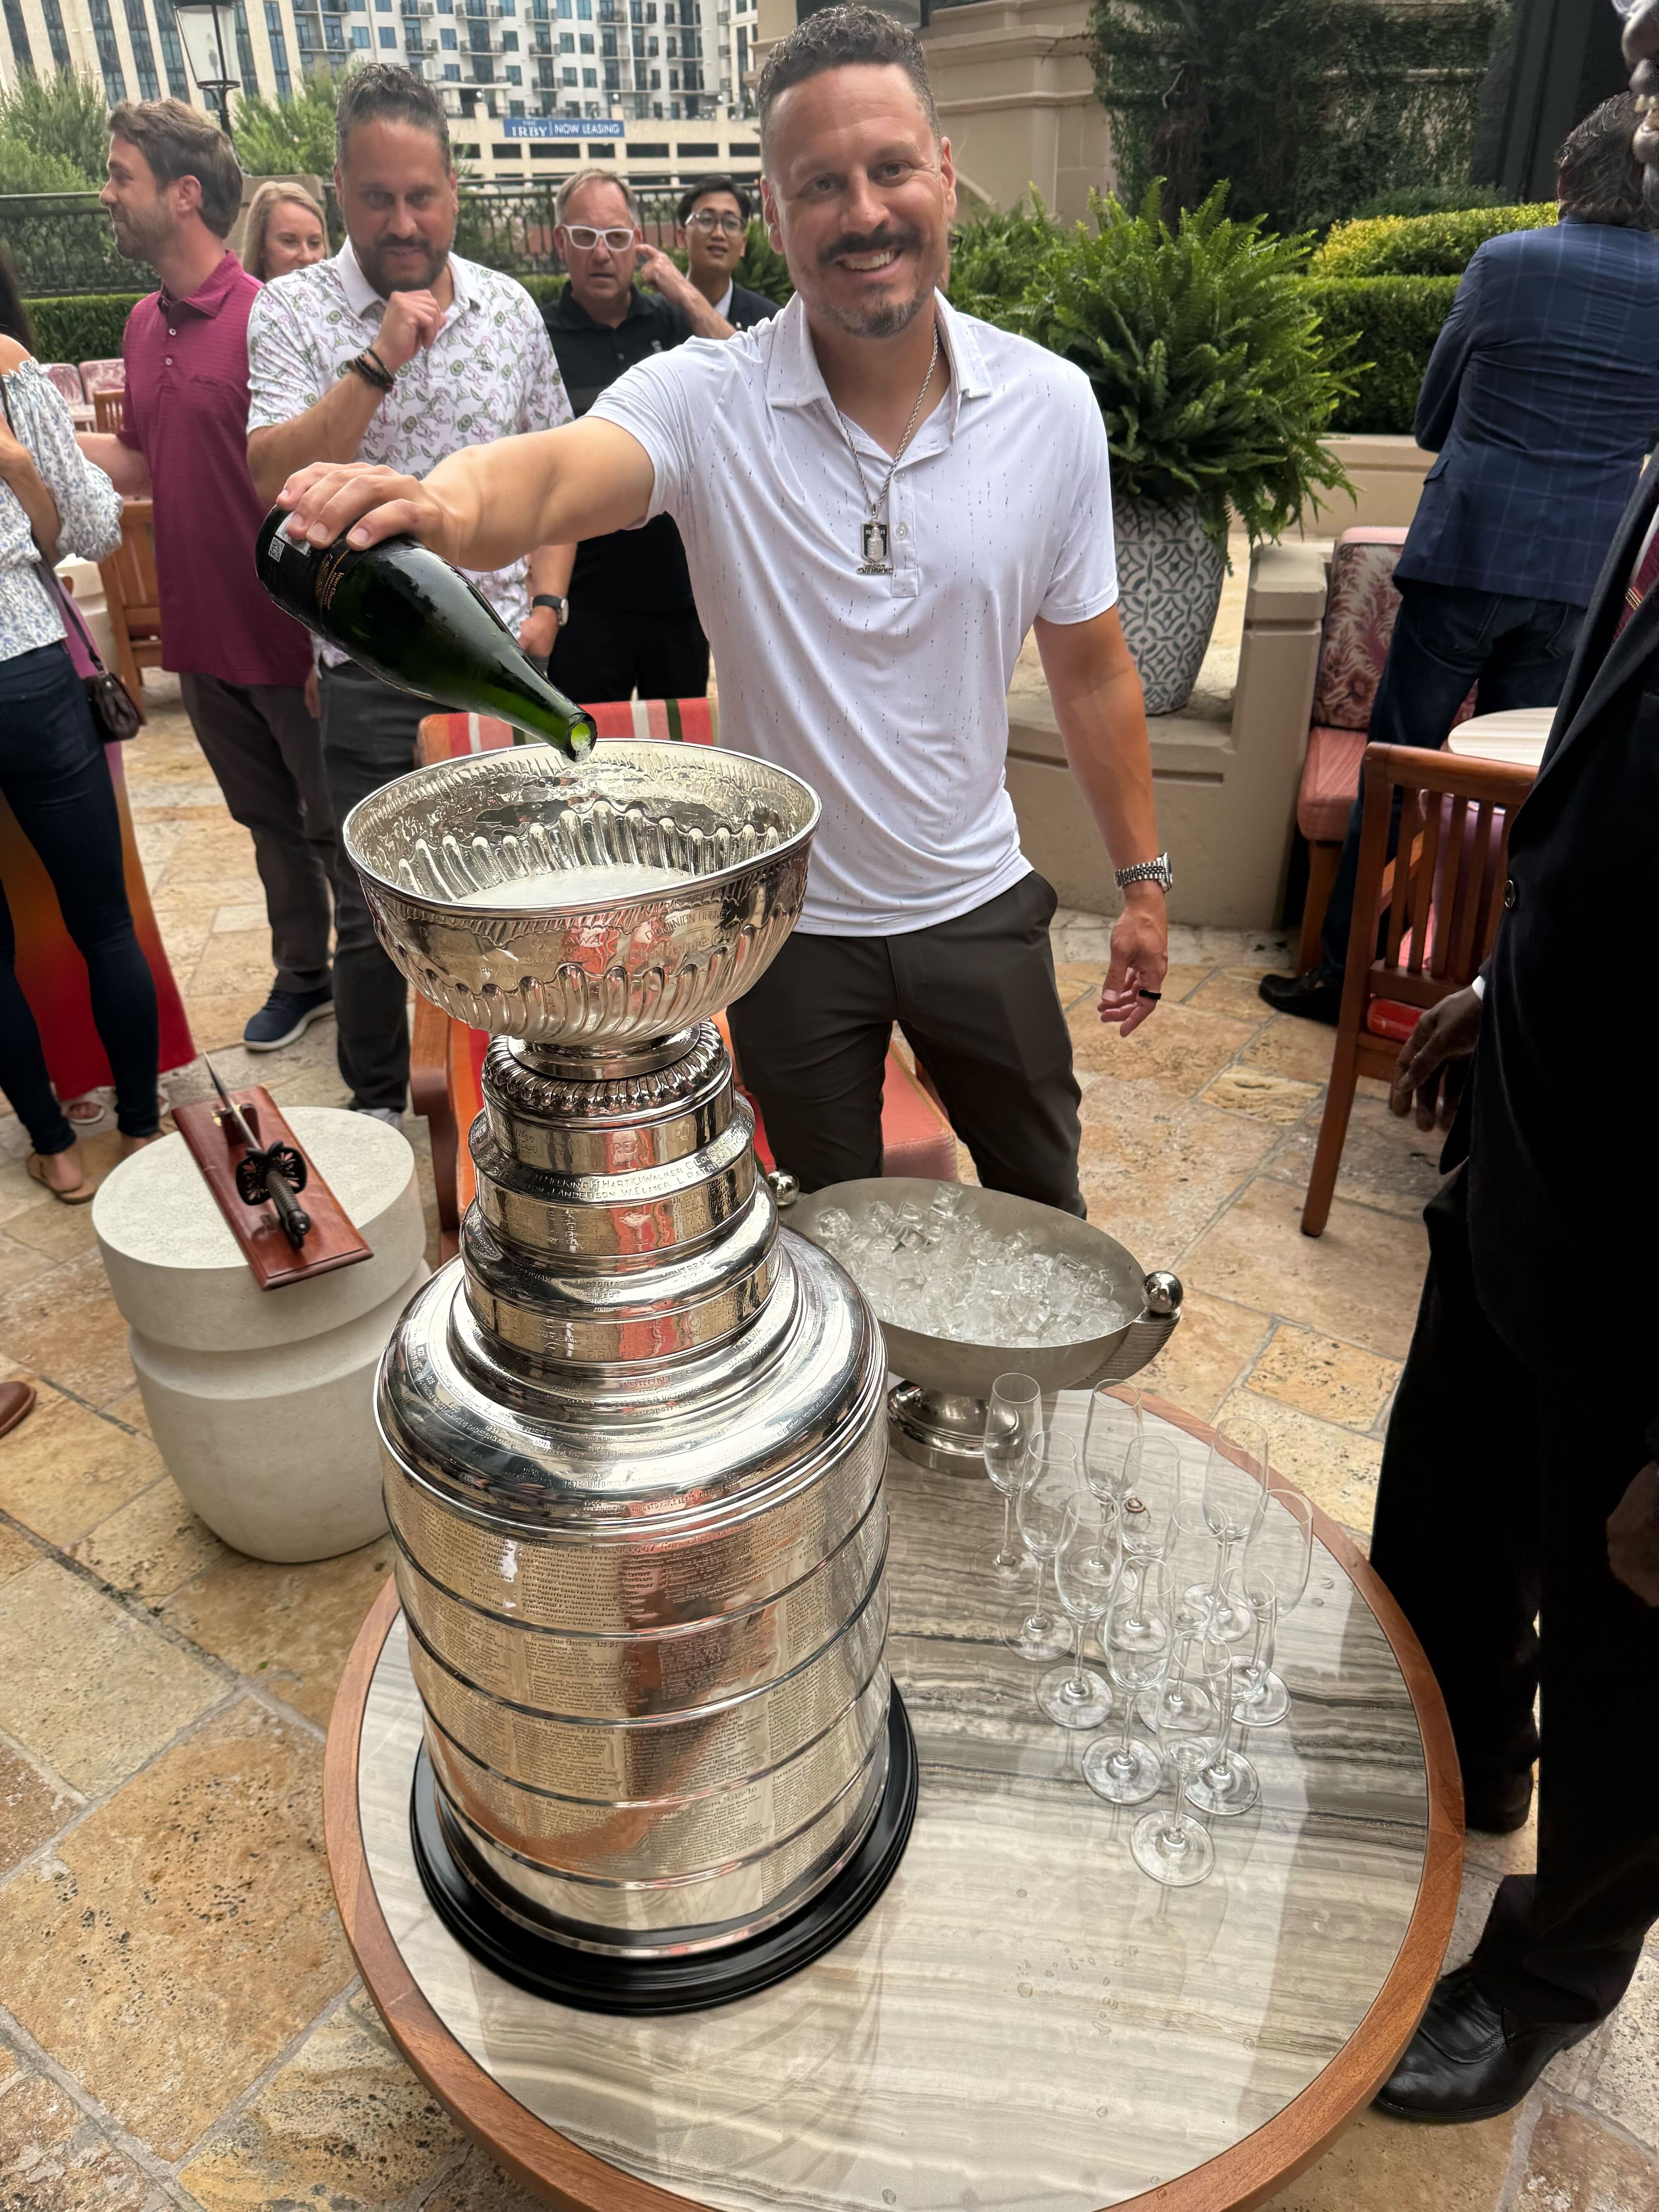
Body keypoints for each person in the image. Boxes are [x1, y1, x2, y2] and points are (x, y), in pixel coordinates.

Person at [273, 5, 1170, 1212]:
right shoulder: (709, 400)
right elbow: (548, 472)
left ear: (945, 175)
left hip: (976, 906)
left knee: (1040, 1212)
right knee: (827, 1235)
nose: (862, 213)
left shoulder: (1051, 408)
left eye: (890, 168)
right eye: (819, 185)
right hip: (786, 927)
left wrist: (1146, 880)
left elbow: (1096, 668)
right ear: (776, 209)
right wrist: (435, 503)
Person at [1364, 73, 1659, 2126]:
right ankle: (1454, 1740)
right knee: (1447, 1497)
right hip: (1538, 1135)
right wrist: (1498, 970)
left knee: (1644, 1640)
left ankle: (1554, 1965)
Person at [1261, 91, 1659, 1025]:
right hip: (1582, 578)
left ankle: (1344, 976)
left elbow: (1432, 416)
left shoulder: (1507, 261)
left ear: (1565, 179)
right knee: (1520, 788)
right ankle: (1476, 986)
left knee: (1398, 766)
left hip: (1468, 550)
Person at [246, 65, 576, 1123]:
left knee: (514, 894)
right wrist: (379, 356)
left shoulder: (511, 310)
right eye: (378, 196)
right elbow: (272, 479)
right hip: (370, 677)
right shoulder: (293, 313)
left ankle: (516, 1097)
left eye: (421, 195)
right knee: (376, 909)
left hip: (497, 662)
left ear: (452, 190)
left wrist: (547, 608)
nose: (402, 220)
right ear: (340, 187)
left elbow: (560, 478)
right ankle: (388, 1114)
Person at [78, 99, 340, 1057]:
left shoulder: (274, 317)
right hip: (201, 635)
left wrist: (325, 633)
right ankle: (303, 973)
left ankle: (372, 990)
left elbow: (320, 478)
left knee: (330, 828)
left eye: (120, 176)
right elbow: (145, 461)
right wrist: (35, 439)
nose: (106, 193)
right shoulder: (144, 323)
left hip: (283, 631)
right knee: (266, 823)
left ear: (183, 195)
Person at [0, 269, 161, 1203]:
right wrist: (24, 479)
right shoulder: (13, 368)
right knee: (101, 920)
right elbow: (96, 526)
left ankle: (54, 1146)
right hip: (24, 664)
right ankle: (139, 1126)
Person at [540, 171, 731, 707]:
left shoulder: (673, 325)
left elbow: (748, 374)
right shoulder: (541, 337)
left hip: (678, 593)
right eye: (585, 237)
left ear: (637, 242)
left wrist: (678, 287)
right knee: (588, 757)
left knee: (684, 759)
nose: (602, 254)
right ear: (560, 243)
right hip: (586, 602)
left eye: (617, 238)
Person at [676, 175, 779, 330]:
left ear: (743, 245)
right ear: (682, 238)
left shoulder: (769, 322)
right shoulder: (657, 317)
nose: (719, 234)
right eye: (706, 220)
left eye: (731, 223)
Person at [243, 180, 329, 283]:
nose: (307, 257)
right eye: (290, 242)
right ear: (261, 246)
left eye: (314, 243)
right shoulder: (242, 298)